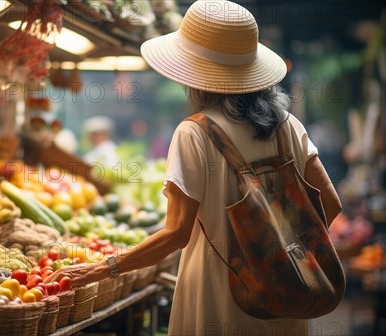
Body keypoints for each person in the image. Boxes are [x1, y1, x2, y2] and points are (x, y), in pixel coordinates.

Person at [46, 1, 342, 335]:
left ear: (195, 75)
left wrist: (103, 267)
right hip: (286, 299)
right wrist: (280, 253)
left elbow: (177, 232)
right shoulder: (289, 127)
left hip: (220, 298)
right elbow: (331, 205)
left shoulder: (195, 132)